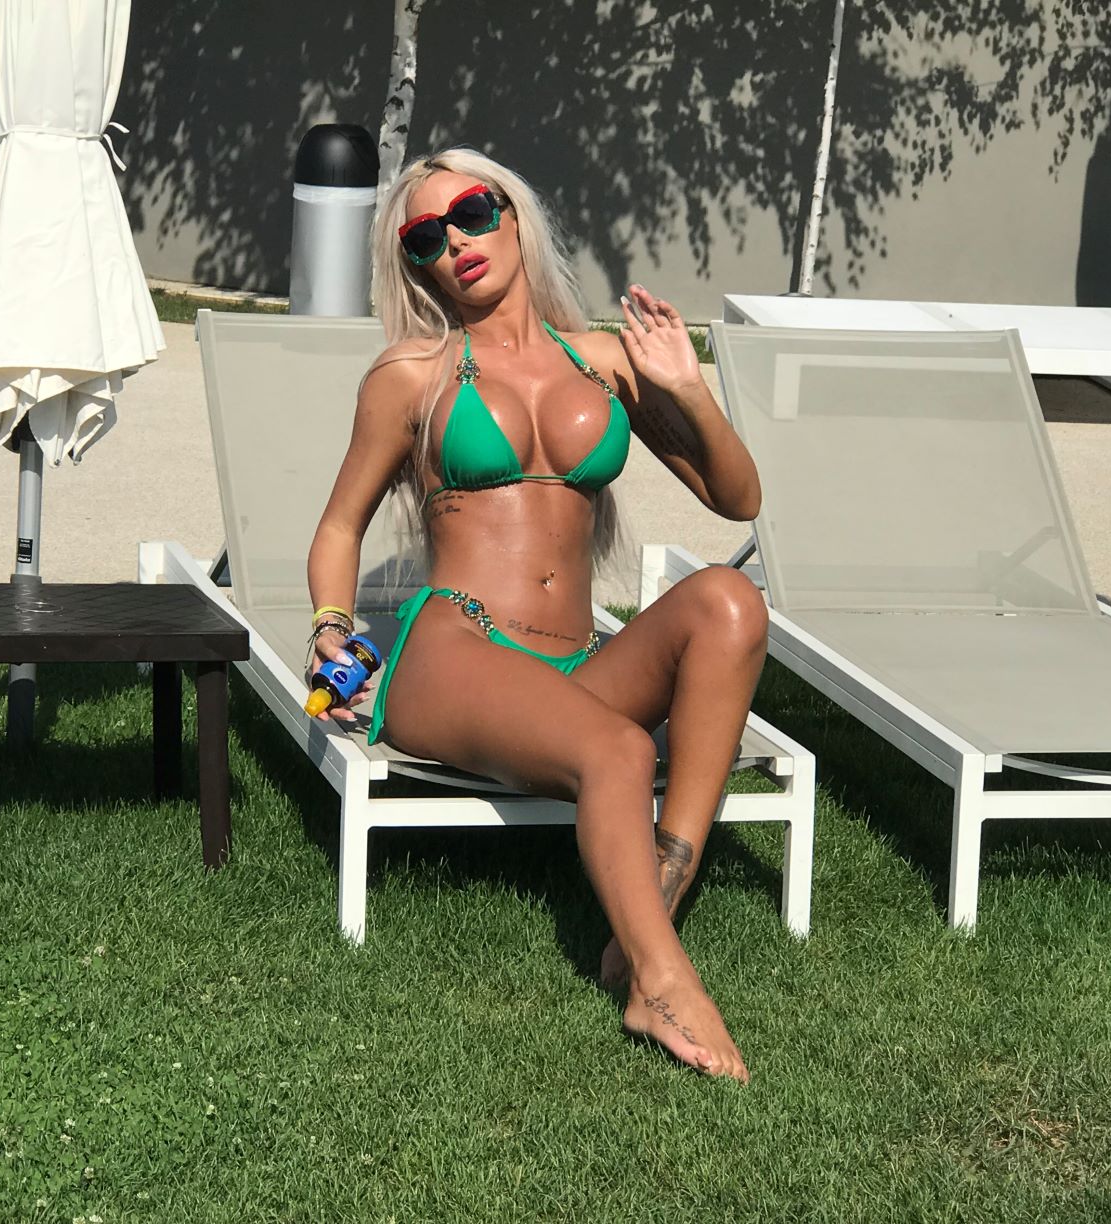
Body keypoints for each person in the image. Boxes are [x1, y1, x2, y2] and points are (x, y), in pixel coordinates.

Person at [306, 149, 767, 1081]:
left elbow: (739, 498)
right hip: (453, 651)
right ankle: (660, 983)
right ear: (416, 264)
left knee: (731, 601)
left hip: (573, 666)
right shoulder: (413, 373)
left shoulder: (606, 362)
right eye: (426, 236)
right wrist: (330, 628)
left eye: (473, 213)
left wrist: (687, 387)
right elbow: (340, 525)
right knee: (621, 752)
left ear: (514, 215)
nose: (456, 242)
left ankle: (655, 900)